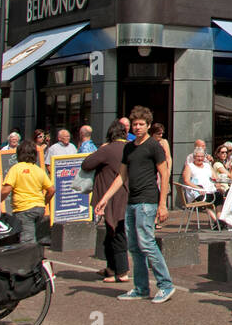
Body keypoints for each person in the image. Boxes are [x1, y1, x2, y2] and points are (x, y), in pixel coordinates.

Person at [94, 106, 175, 303]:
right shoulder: (129, 148)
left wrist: (162, 203)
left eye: (141, 124)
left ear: (148, 125)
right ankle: (140, 288)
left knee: (147, 243)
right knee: (134, 246)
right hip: (131, 201)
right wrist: (104, 199)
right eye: (135, 124)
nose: (137, 127)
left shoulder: (154, 146)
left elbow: (164, 174)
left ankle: (166, 284)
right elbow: (121, 176)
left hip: (147, 201)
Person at [83, 121, 130, 283]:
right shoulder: (131, 148)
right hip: (129, 194)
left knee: (117, 231)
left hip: (112, 196)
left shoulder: (108, 149)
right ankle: (112, 269)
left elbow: (87, 164)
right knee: (111, 233)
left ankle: (122, 271)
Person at [0, 138, 54, 245]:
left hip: (24, 208)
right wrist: (44, 202)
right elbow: (51, 190)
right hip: (39, 208)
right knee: (34, 236)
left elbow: (6, 190)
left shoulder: (16, 169)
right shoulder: (39, 170)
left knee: (27, 240)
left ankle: (30, 260)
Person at [181, 148, 221, 224]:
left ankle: (219, 220)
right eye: (198, 156)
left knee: (219, 196)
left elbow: (215, 177)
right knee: (204, 200)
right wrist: (198, 188)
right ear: (194, 157)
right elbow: (186, 181)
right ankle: (217, 222)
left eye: (202, 156)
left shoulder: (207, 165)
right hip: (197, 193)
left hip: (210, 190)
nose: (200, 158)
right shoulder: (190, 166)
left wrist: (217, 184)